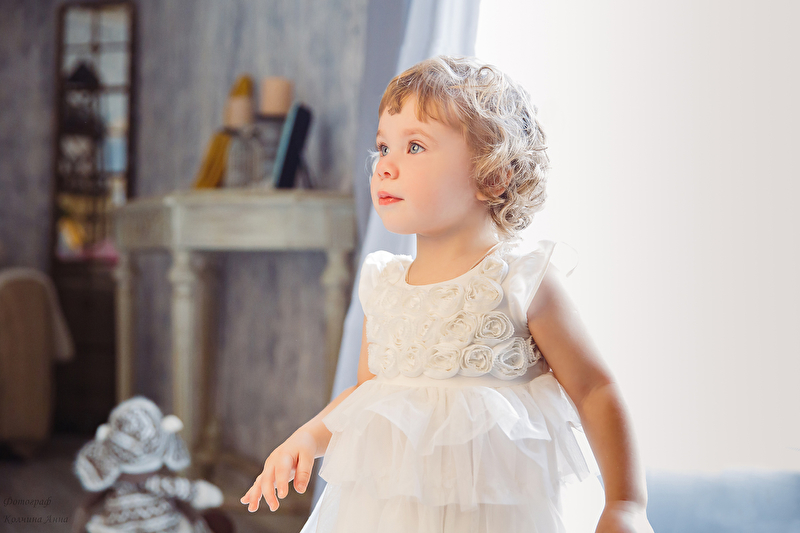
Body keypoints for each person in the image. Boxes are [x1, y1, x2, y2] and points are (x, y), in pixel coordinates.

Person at [240, 55, 654, 533]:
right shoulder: (384, 284)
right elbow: (369, 392)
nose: (385, 165)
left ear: (491, 175)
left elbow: (594, 390)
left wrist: (625, 503)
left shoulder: (522, 279)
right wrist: (308, 438)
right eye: (382, 147)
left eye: (414, 146)